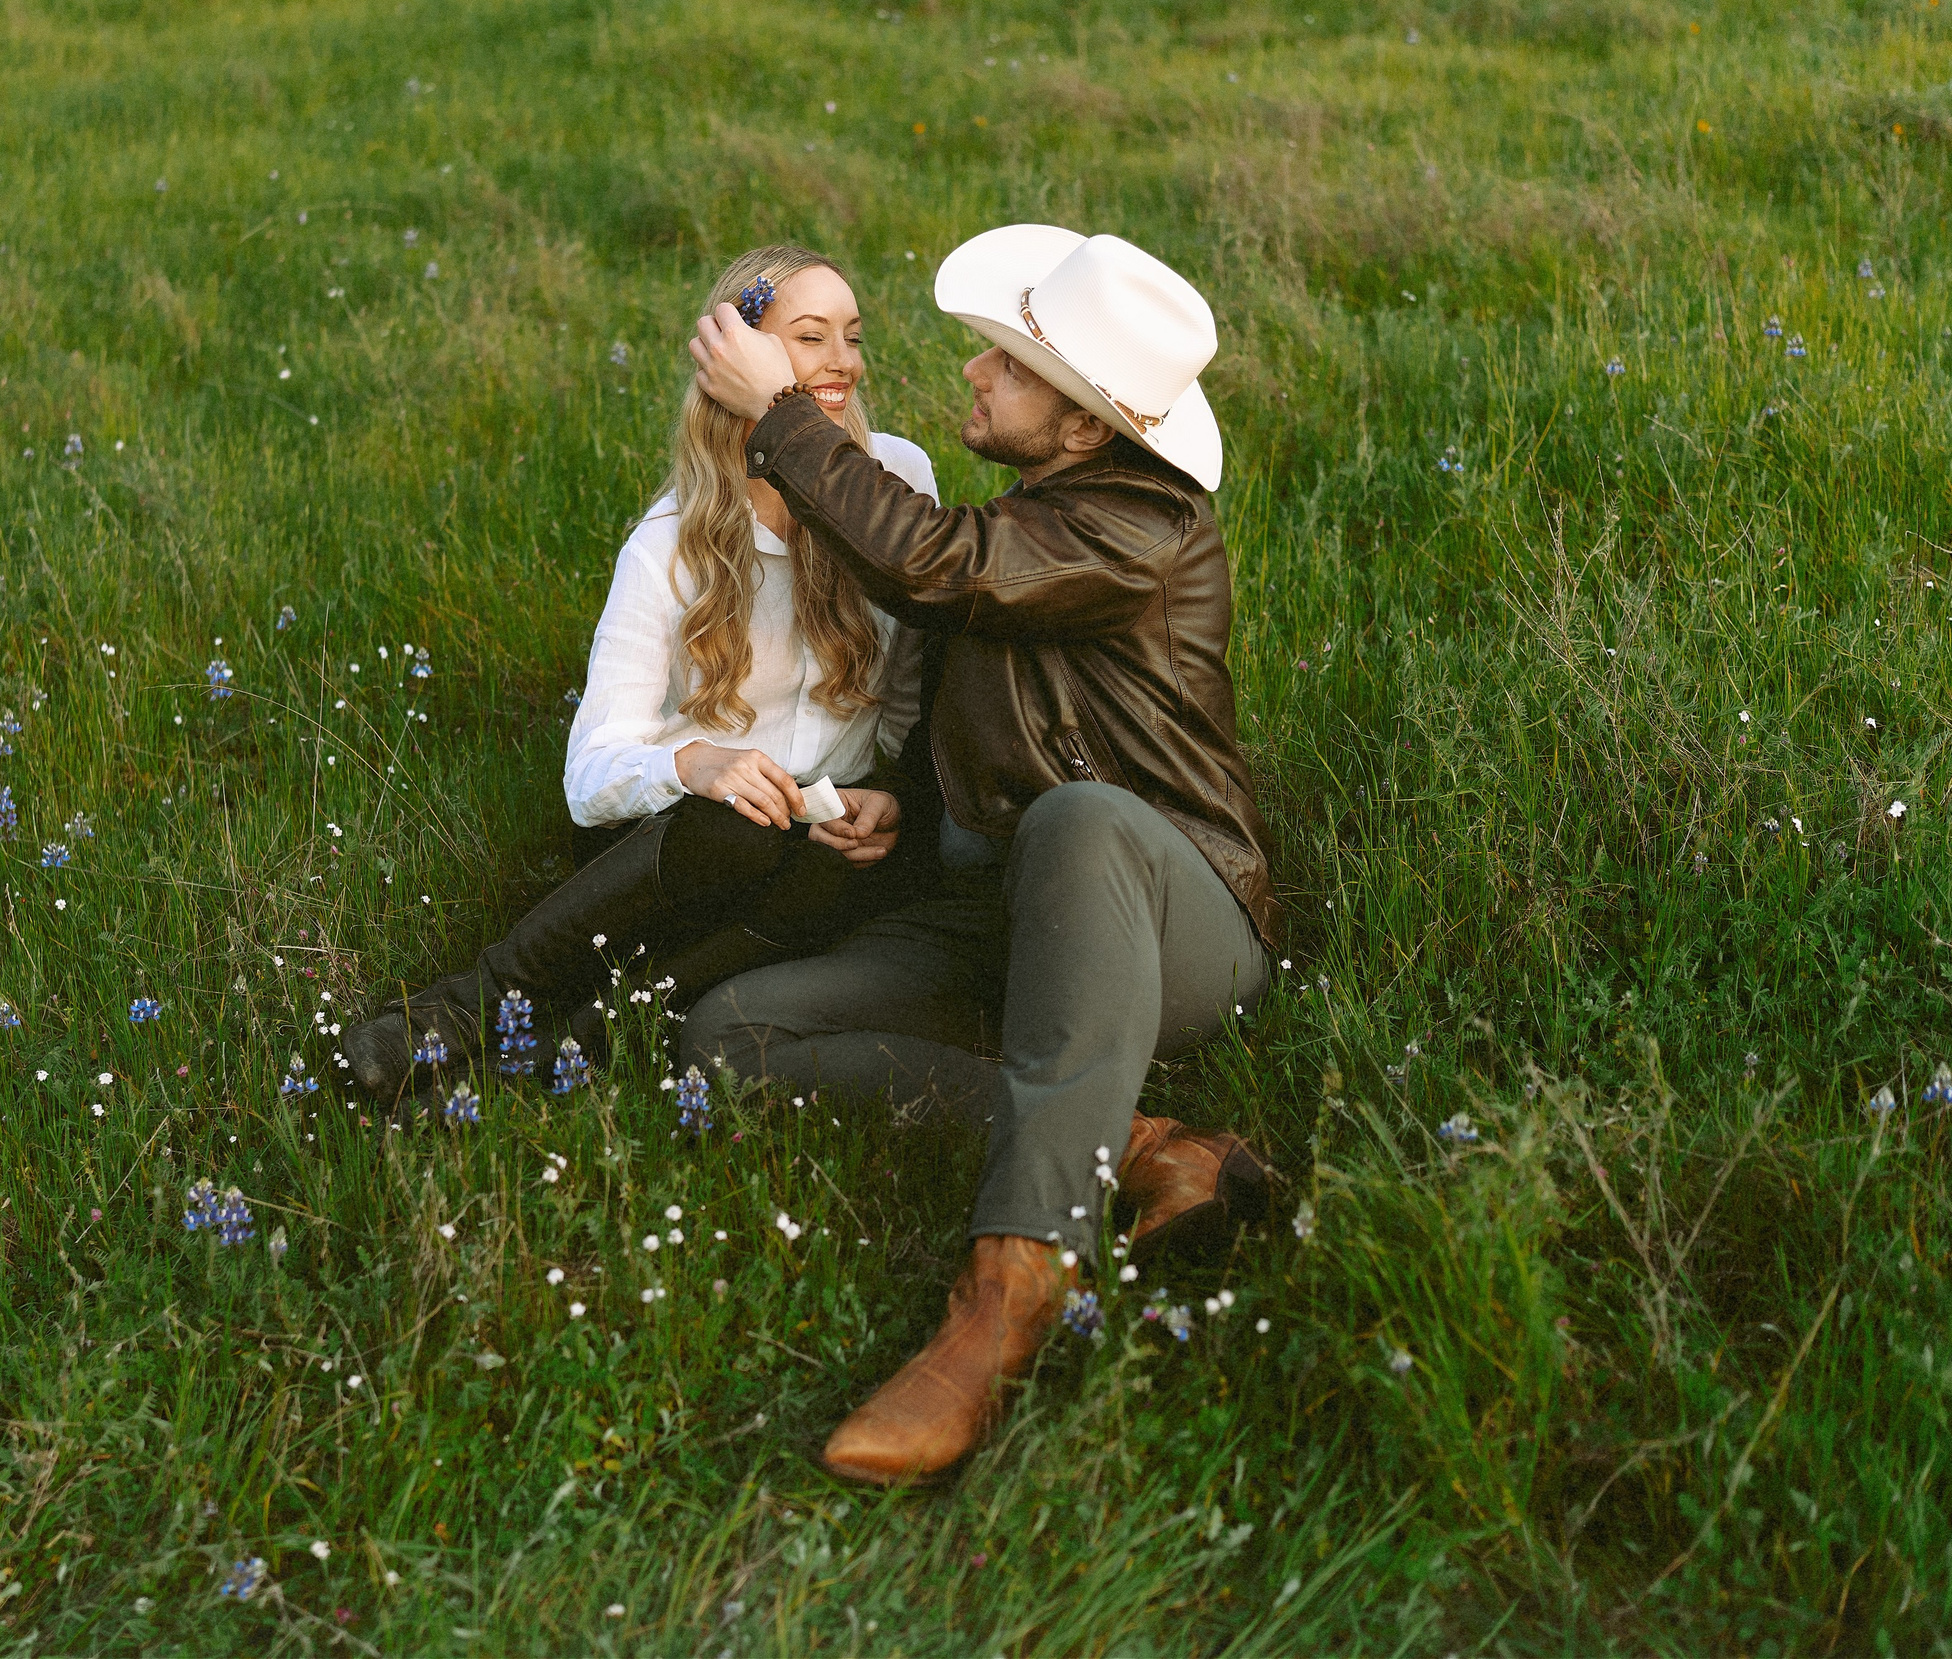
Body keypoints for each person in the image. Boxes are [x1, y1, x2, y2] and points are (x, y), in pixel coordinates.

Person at [683, 226, 1281, 1486]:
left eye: (1005, 365)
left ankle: (1004, 1301)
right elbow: (980, 687)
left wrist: (785, 417)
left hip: (1173, 926)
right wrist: (898, 799)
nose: (969, 374)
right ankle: (1149, 1146)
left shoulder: (1144, 527)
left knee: (1081, 814)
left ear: (1077, 428)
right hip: (1010, 911)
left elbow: (936, 572)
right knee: (730, 1035)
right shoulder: (1045, 508)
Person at [328, 245, 940, 1102]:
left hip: (819, 848)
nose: (845, 361)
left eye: (852, 334)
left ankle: (552, 1060)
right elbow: (590, 774)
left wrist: (894, 792)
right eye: (810, 337)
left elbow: (907, 696)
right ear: (736, 360)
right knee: (738, 826)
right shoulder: (670, 544)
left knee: (844, 866)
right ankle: (462, 1011)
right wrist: (692, 763)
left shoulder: (899, 479)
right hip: (678, 844)